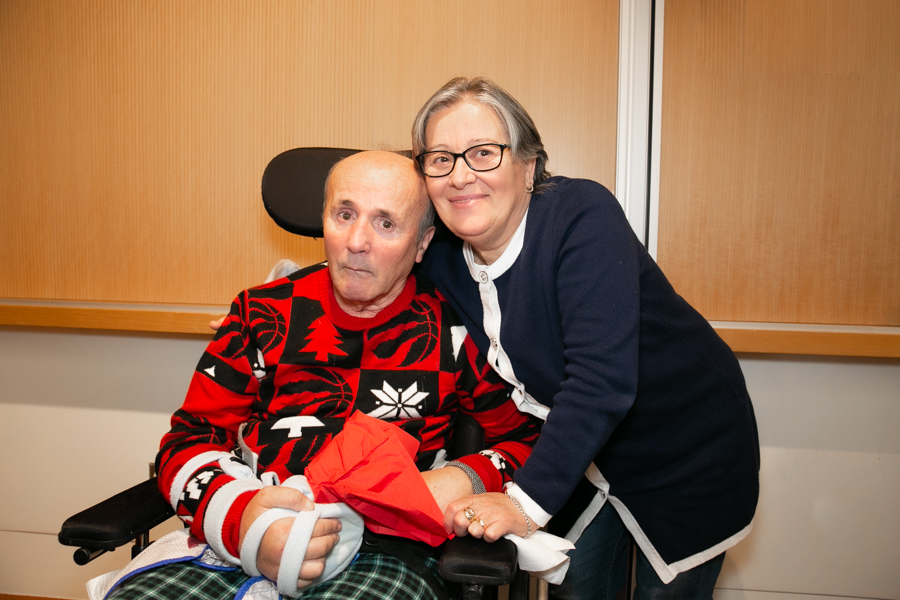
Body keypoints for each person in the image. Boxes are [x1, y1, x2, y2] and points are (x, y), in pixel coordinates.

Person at [94, 151, 541, 600]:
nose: (356, 241)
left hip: (385, 549)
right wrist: (246, 524)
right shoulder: (261, 313)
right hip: (243, 533)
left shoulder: (457, 331)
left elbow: (529, 441)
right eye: (344, 214)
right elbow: (188, 439)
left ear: (423, 243)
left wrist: (467, 477)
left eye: (386, 223)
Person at [408, 77, 760, 600]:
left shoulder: (578, 216)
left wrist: (523, 505)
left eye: (484, 153)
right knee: (579, 588)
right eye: (440, 159)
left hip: (685, 444)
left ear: (528, 167)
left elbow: (601, 381)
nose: (460, 175)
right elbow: (374, 236)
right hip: (580, 452)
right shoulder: (441, 251)